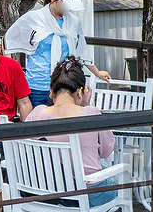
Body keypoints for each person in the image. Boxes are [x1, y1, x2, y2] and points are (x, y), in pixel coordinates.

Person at [24, 56, 117, 207]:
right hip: (86, 193)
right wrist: (84, 105)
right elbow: (106, 151)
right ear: (80, 92)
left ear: (51, 91)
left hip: (45, 191)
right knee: (113, 178)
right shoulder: (91, 114)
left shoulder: (37, 113)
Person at [5, 0, 111, 108]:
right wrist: (13, 73)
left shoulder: (73, 22)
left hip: (64, 86)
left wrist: (97, 72)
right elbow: (8, 42)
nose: (69, 8)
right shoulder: (33, 18)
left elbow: (81, 50)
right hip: (37, 86)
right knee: (36, 120)